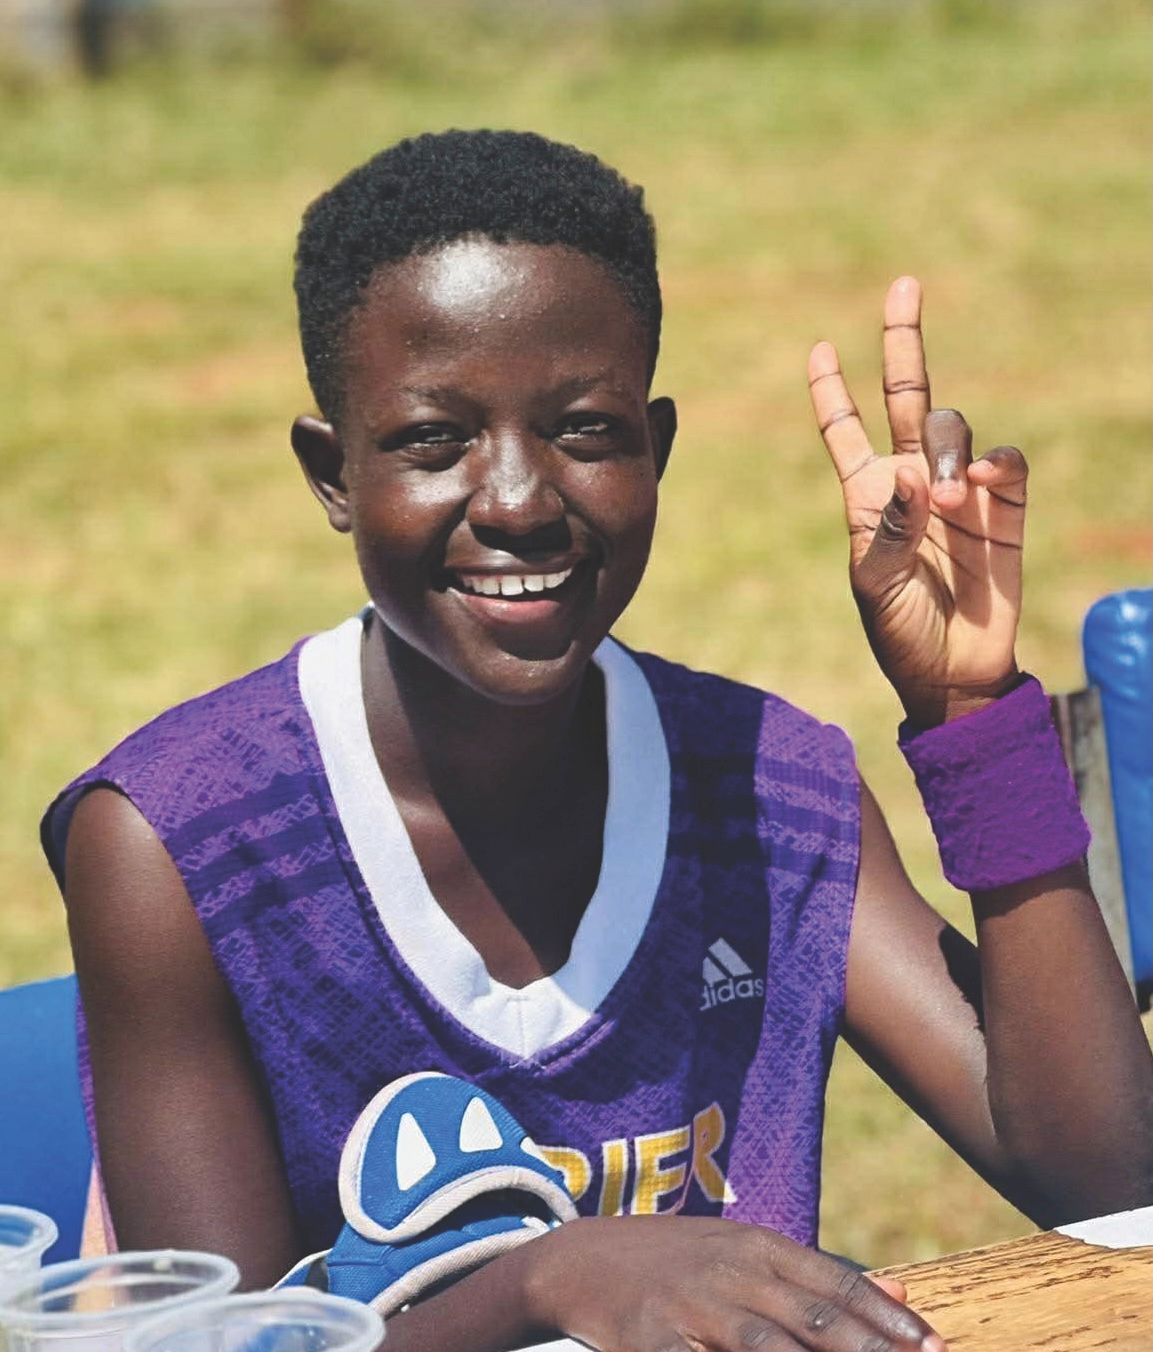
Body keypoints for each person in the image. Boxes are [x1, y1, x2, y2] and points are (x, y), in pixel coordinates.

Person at [43, 130, 1153, 1352]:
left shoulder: (769, 789)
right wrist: (540, 1282)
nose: (518, 499)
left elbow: (1110, 1184)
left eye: (582, 430)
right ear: (333, 474)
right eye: (433, 440)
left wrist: (972, 718)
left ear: (654, 449)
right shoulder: (180, 842)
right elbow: (224, 1346)